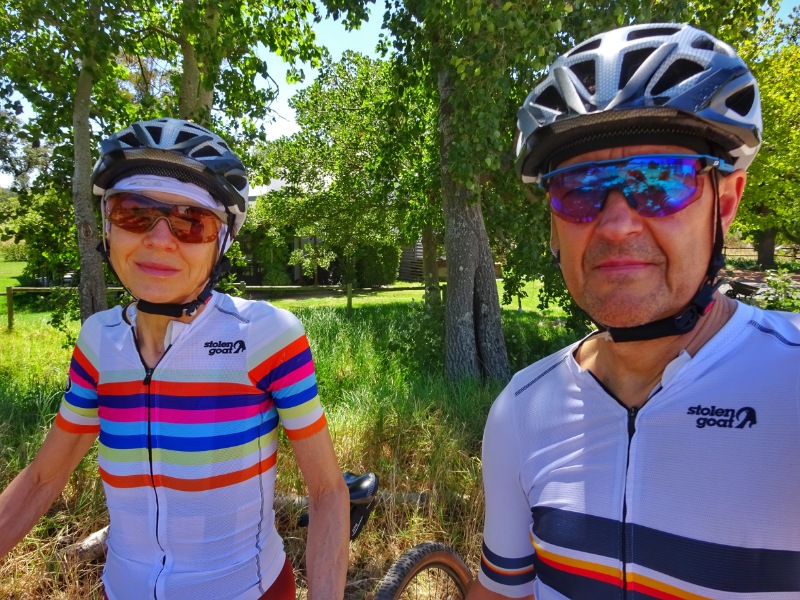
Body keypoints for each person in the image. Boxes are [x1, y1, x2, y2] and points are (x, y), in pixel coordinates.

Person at [470, 23, 800, 600]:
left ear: (725, 202)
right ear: (554, 224)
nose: (617, 224)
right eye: (578, 189)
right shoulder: (521, 412)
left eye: (661, 180)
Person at [0, 118, 349, 599]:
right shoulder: (98, 341)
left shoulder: (266, 335)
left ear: (220, 242)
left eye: (191, 221)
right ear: (107, 227)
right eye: (133, 213)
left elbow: (328, 491)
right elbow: (43, 477)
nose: (161, 240)